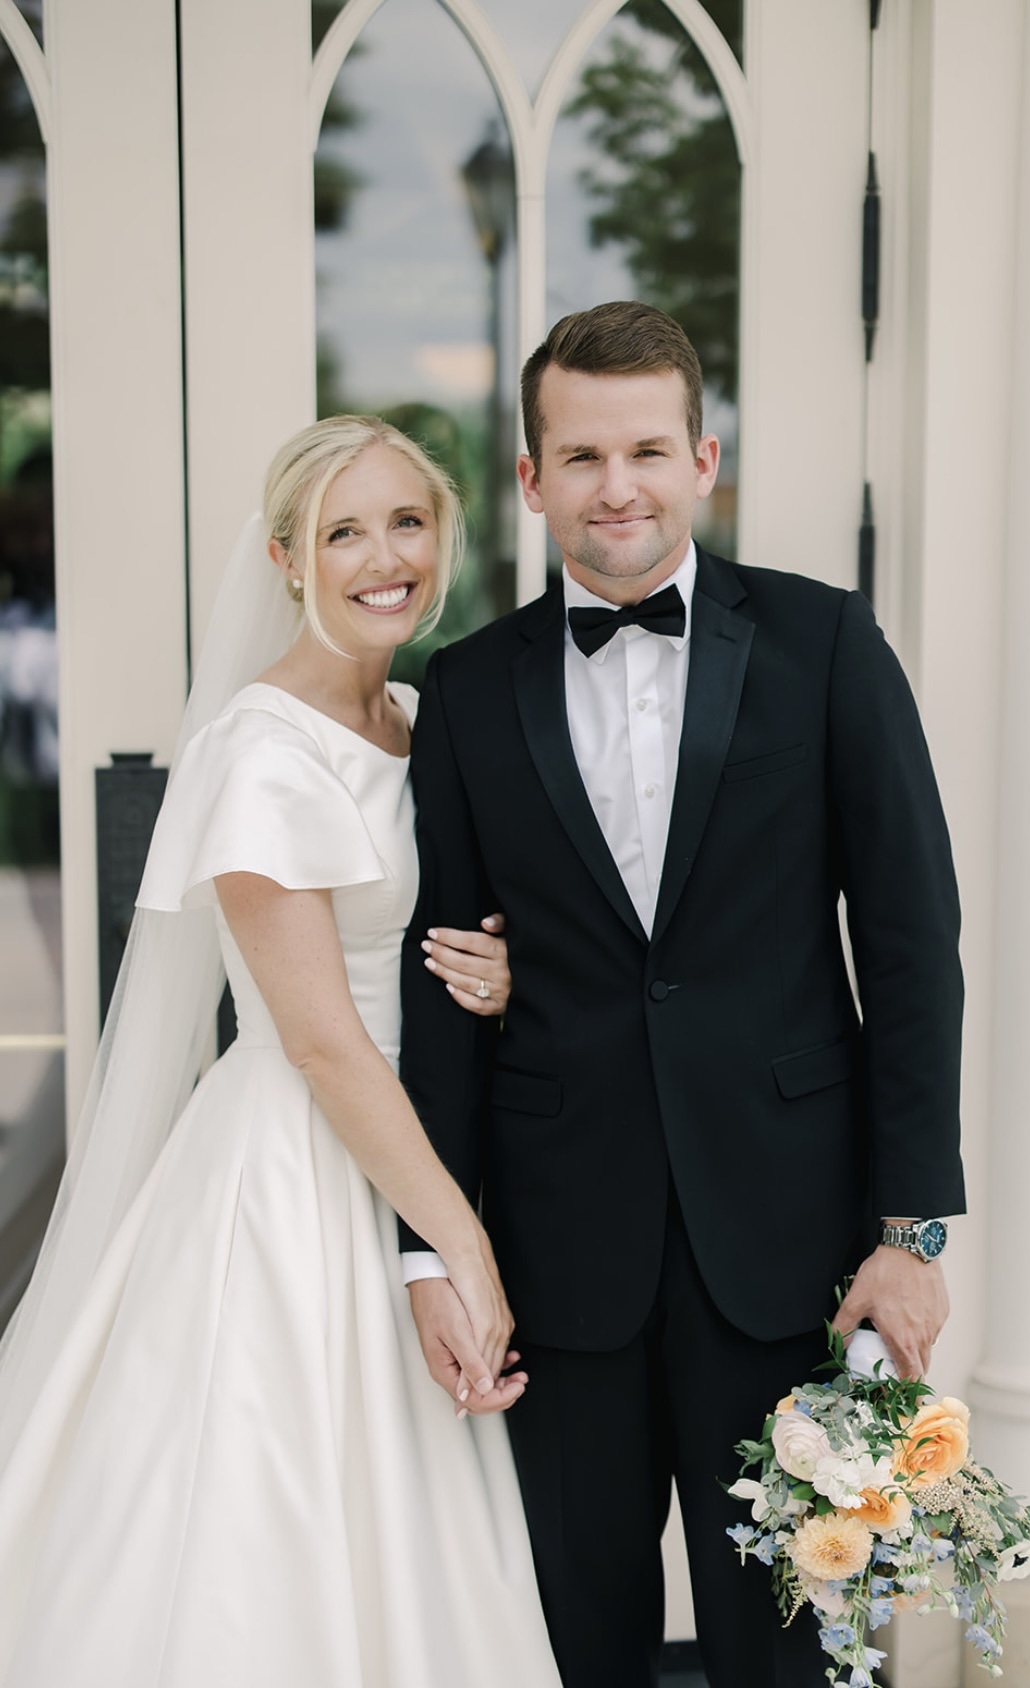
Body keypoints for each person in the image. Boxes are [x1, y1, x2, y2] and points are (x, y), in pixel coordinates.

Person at [398, 301, 967, 1688]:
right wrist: (431, 1254)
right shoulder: (464, 691)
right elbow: (443, 983)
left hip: (789, 1249)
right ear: (531, 477)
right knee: (568, 1640)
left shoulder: (826, 643)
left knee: (784, 1643)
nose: (619, 486)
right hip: (551, 1258)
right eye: (581, 456)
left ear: (704, 460)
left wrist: (911, 1230)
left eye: (648, 449)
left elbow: (910, 942)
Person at [0, 416, 561, 1687]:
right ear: (286, 558)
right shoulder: (259, 749)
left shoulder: (417, 716)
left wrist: (501, 973)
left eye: (406, 521)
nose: (384, 557)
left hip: (420, 1143)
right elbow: (320, 1040)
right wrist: (459, 1242)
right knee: (270, 1508)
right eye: (342, 531)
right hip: (299, 1170)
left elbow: (445, 928)